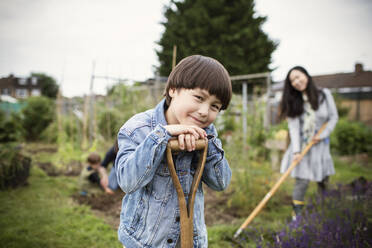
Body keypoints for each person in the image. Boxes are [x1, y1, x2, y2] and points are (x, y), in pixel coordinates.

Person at [115, 55, 232, 248]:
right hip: (146, 241)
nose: (204, 111)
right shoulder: (138, 128)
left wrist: (207, 141)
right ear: (173, 90)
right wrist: (162, 135)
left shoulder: (207, 133)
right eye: (199, 98)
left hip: (189, 240)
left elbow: (221, 183)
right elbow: (127, 182)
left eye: (215, 106)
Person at [279, 66, 338, 217]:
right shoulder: (293, 101)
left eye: (299, 77)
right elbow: (293, 127)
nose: (297, 82)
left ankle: (325, 211)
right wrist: (297, 151)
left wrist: (323, 134)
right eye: (293, 81)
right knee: (302, 181)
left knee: (323, 179)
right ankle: (296, 217)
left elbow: (333, 117)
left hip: (320, 145)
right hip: (303, 145)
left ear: (306, 75)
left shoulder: (324, 95)